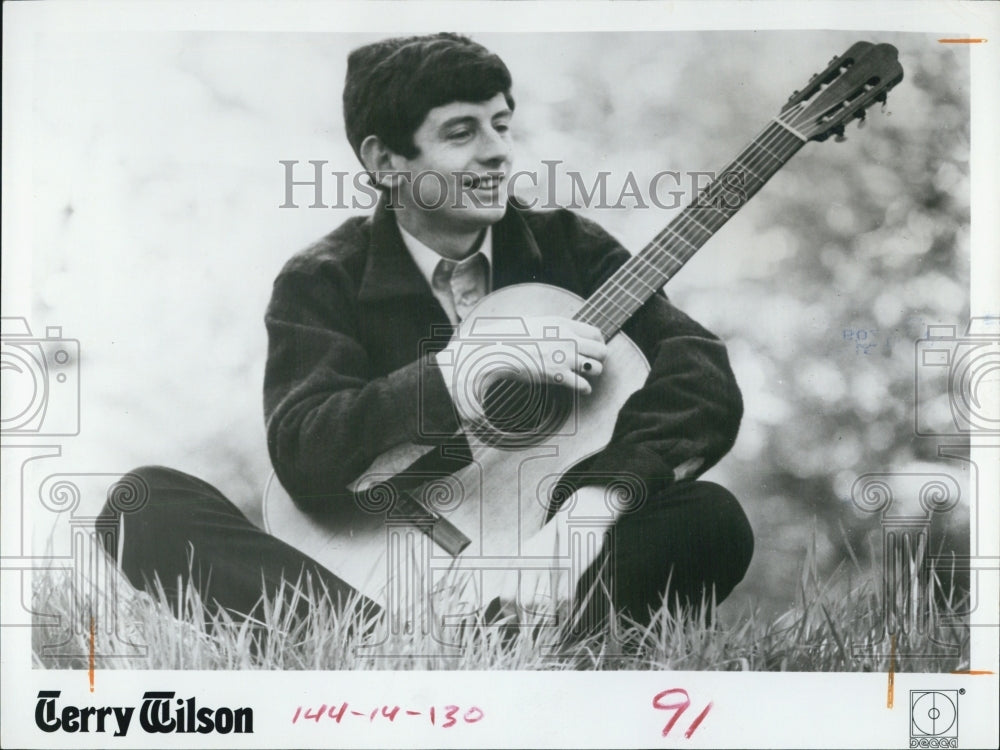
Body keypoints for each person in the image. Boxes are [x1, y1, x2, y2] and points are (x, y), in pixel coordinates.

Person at [99, 33, 753, 635]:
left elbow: (699, 377)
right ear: (385, 160)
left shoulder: (566, 247)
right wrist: (461, 373)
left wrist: (584, 518)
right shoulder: (323, 279)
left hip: (542, 569)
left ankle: (527, 643)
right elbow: (304, 452)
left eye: (501, 124)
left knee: (709, 518)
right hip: (364, 582)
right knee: (143, 503)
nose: (497, 150)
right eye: (462, 132)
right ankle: (377, 644)